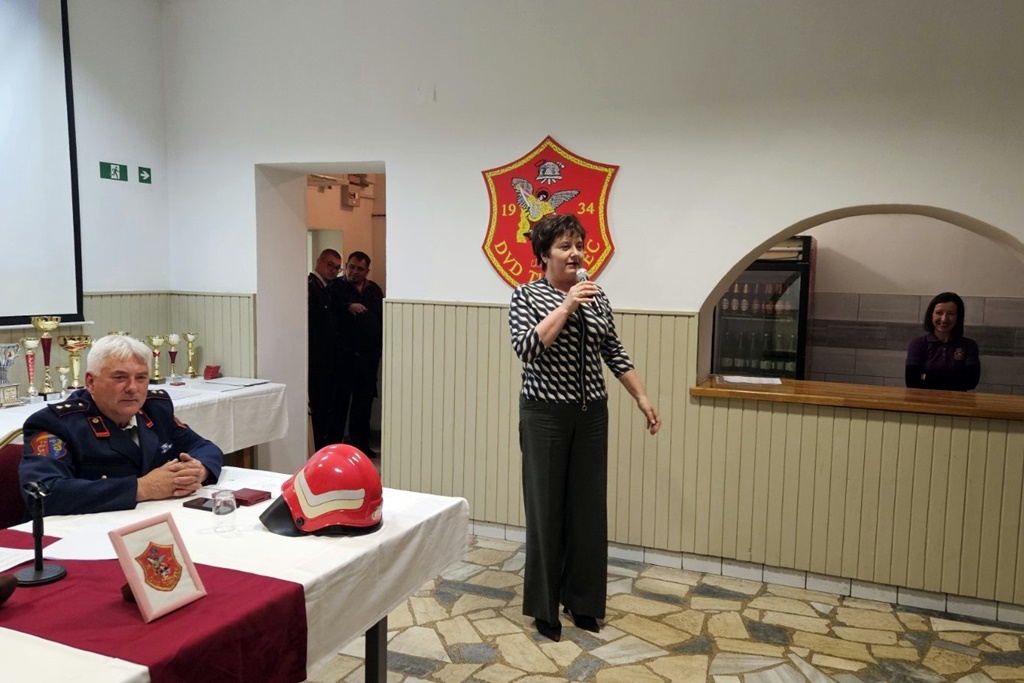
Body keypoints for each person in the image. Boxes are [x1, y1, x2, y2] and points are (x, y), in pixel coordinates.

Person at [508, 214, 660, 642]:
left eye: (578, 245)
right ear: (544, 254)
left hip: (592, 414)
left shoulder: (598, 296)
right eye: (564, 246)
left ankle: (584, 602)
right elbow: (528, 348)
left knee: (588, 510)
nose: (575, 253)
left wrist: (641, 396)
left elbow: (613, 350)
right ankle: (545, 608)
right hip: (545, 415)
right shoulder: (526, 296)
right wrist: (568, 304)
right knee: (546, 511)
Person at [20, 334, 223, 516]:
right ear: (90, 382)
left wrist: (198, 469)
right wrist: (142, 488)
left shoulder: (155, 409)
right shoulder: (58, 423)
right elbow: (43, 493)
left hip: (152, 519)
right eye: (120, 377)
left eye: (141, 378)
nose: (132, 388)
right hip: (82, 533)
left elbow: (204, 447)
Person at [333, 250, 384, 457]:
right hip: (343, 357)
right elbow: (330, 313)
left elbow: (382, 319)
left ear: (367, 271)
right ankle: (335, 447)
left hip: (368, 357)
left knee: (364, 403)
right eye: (351, 267)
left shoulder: (374, 290)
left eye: (360, 269)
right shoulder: (335, 287)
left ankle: (362, 446)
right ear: (346, 266)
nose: (355, 272)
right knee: (339, 403)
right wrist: (347, 307)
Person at [906, 291, 980, 391]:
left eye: (950, 314)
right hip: (924, 400)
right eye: (939, 313)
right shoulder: (917, 344)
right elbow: (911, 381)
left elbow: (971, 382)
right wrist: (956, 379)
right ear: (931, 315)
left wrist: (925, 377)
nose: (944, 319)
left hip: (957, 400)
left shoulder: (969, 345)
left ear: (958, 317)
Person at [308, 248, 345, 450]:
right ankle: (319, 448)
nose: (333, 270)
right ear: (318, 262)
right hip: (317, 360)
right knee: (320, 408)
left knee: (330, 407)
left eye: (337, 268)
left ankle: (327, 446)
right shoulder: (311, 288)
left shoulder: (329, 289)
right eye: (330, 265)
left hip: (330, 360)